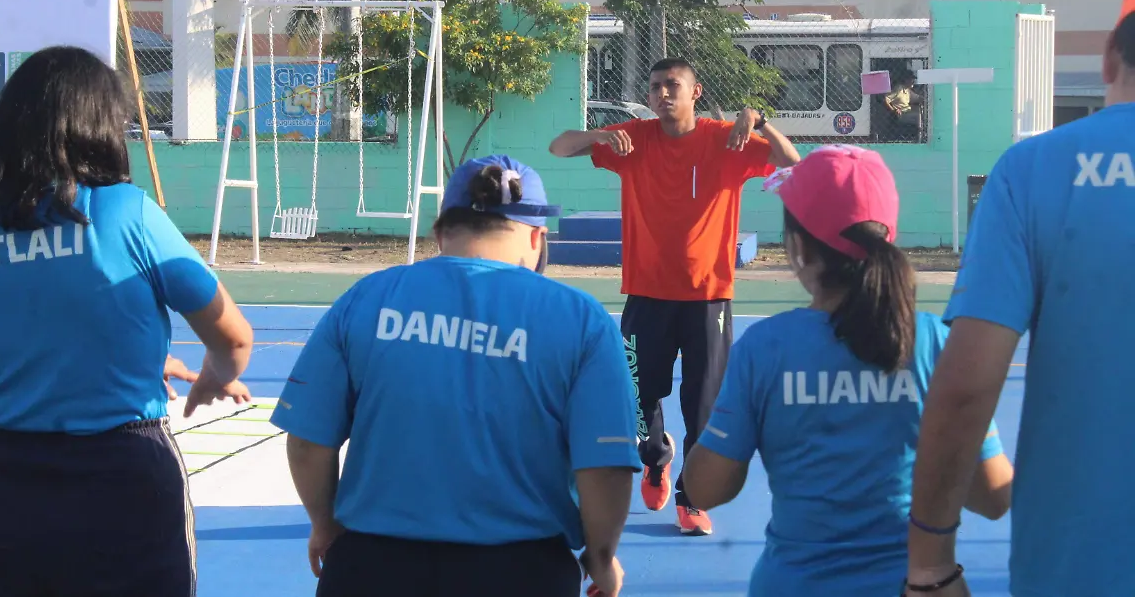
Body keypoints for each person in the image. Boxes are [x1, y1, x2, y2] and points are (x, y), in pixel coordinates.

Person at [0, 45, 256, 597]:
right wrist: (215, 375)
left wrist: (135, 355)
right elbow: (232, 336)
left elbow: (25, 313)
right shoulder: (121, 210)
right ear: (98, 126)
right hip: (119, 474)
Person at [270, 154, 640, 597]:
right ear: (538, 238)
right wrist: (600, 557)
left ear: (441, 232)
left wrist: (325, 525)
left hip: (371, 567)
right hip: (521, 571)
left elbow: (309, 442)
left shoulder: (366, 298)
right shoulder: (582, 320)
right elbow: (605, 468)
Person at [680, 145, 1014, 595]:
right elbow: (993, 496)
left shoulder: (765, 348)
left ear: (798, 247)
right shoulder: (937, 343)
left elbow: (705, 490)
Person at [905, 0, 1135, 597]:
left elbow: (965, 386)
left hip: (1077, 565)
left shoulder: (1036, 170)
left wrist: (930, 562)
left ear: (1110, 56)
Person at [548, 57, 801, 535]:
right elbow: (558, 146)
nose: (664, 93)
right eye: (656, 86)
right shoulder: (633, 139)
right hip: (646, 294)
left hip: (709, 298)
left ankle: (691, 496)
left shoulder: (727, 138)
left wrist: (760, 119)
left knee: (702, 405)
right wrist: (598, 137)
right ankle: (655, 455)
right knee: (636, 400)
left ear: (695, 91)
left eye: (673, 85)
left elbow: (792, 162)